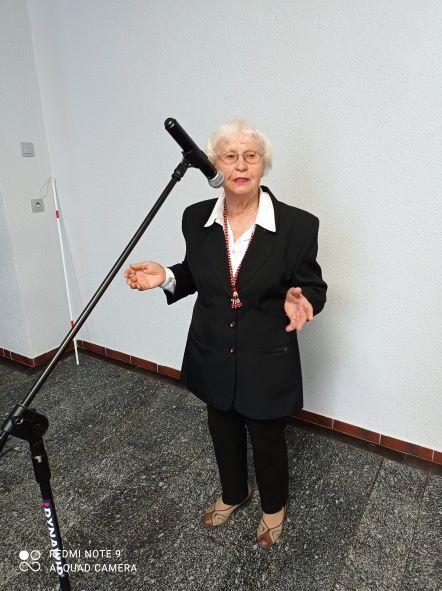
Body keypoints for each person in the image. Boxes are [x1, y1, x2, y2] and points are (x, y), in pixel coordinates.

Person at [124, 119, 327, 548]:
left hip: (266, 356)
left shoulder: (298, 225)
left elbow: (312, 286)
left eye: (250, 156)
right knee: (222, 427)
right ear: (214, 164)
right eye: (230, 156)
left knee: (267, 437)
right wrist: (166, 277)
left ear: (263, 165)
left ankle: (273, 507)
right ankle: (235, 492)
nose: (241, 165)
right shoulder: (196, 217)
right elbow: (197, 273)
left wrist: (304, 298)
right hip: (212, 348)